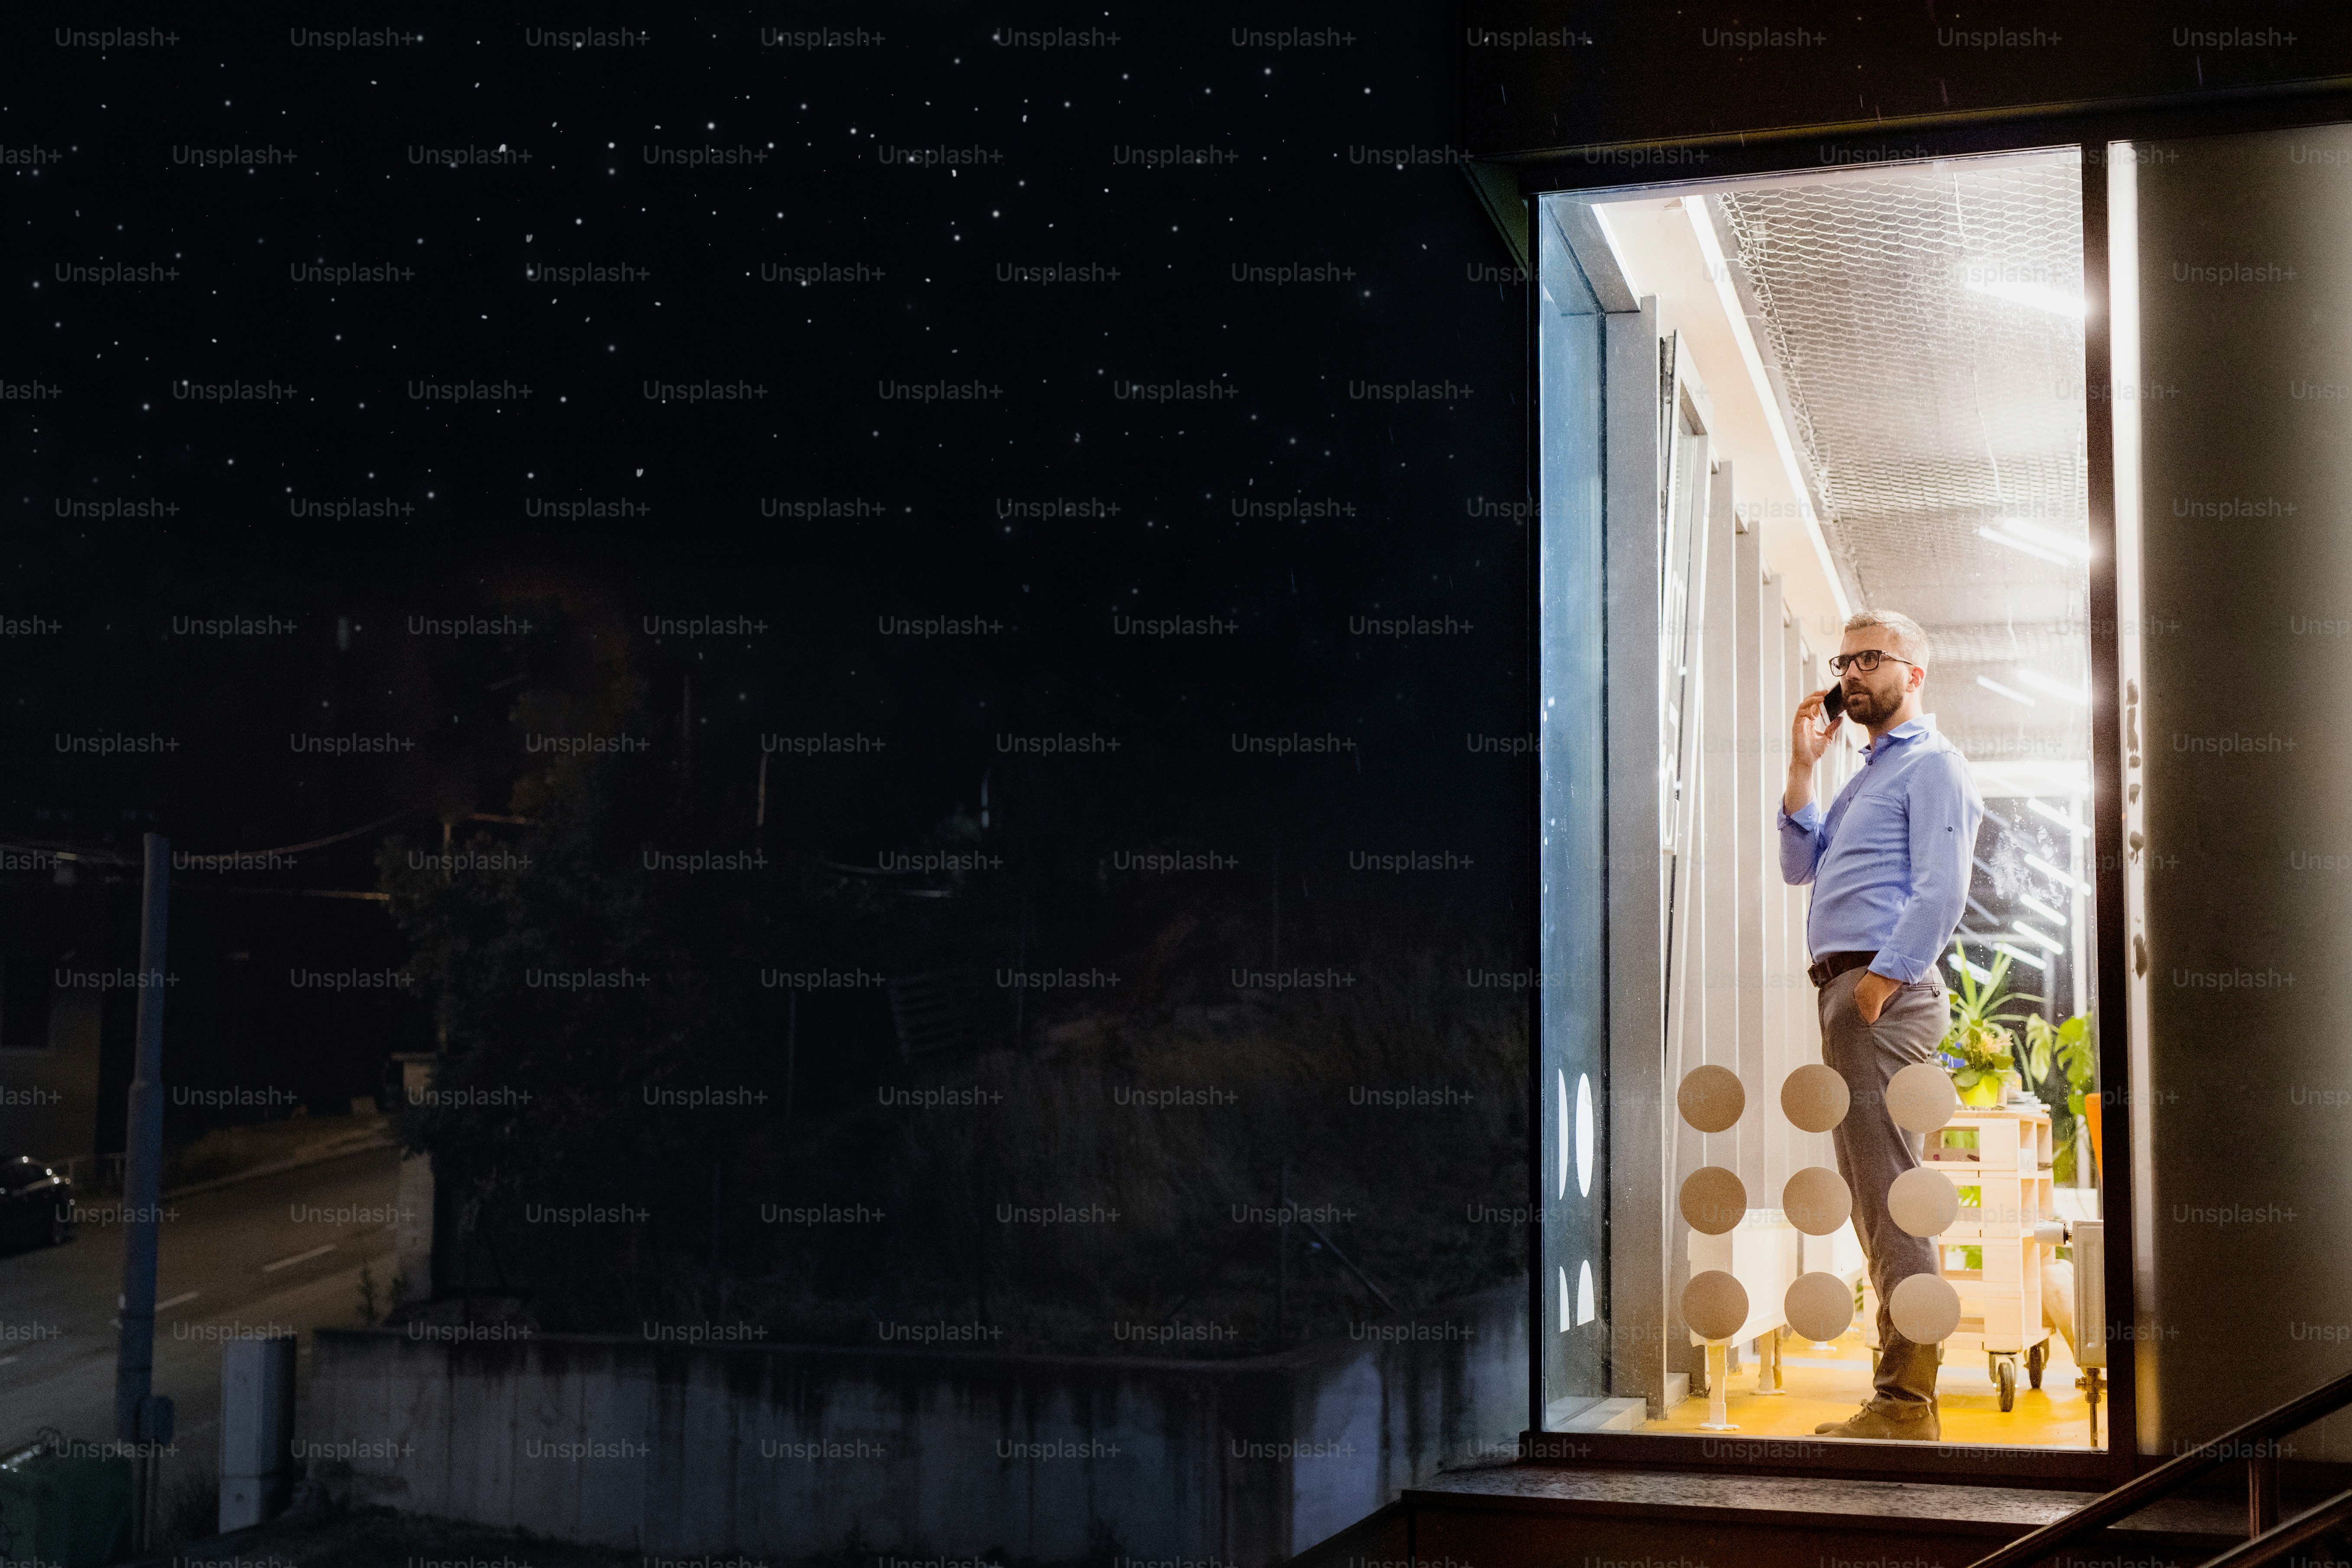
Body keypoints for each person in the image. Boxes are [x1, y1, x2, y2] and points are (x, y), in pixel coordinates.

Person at [1779, 609, 1982, 1441]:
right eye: (1846, 661)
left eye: (1872, 659)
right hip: (1849, 991)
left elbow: (1942, 889)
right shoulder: (1864, 775)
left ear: (1914, 675)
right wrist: (1801, 770)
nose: (1853, 674)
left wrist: (1878, 987)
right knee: (1877, 1196)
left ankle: (1906, 1405)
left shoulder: (1933, 765)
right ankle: (1901, 1397)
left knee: (1891, 1197)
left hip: (1879, 991)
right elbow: (1800, 864)